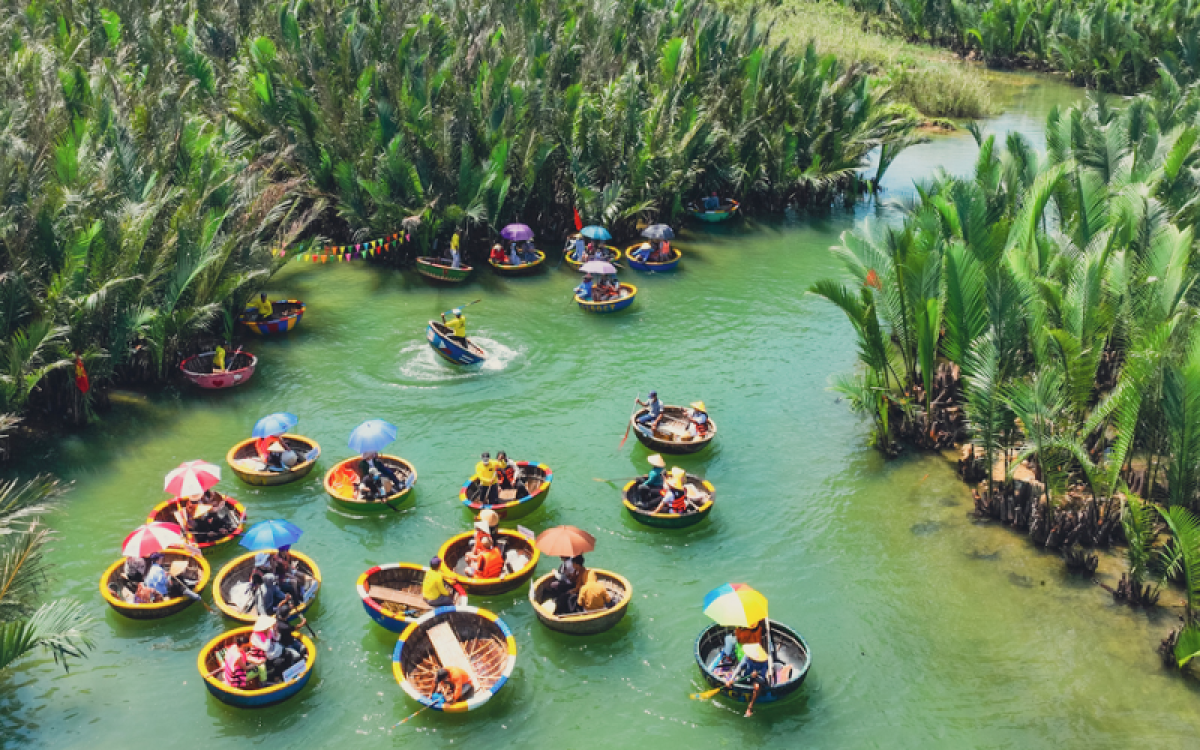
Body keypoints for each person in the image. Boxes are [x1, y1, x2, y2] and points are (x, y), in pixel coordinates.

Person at [724, 642, 771, 717]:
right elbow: (739, 667)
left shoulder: (764, 662)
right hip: (746, 675)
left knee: (757, 687)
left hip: (757, 679)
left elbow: (762, 678)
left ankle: (749, 707)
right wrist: (731, 679)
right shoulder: (747, 657)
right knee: (732, 683)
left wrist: (756, 676)